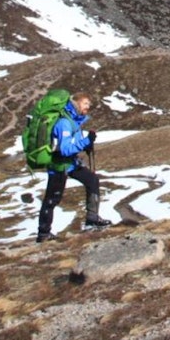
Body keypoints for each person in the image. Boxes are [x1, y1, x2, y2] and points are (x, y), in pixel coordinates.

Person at [36, 92, 112, 242]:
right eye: (85, 103)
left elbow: (71, 145)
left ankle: (92, 219)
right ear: (76, 104)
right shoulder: (64, 123)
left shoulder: (73, 120)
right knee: (52, 199)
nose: (88, 107)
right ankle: (43, 234)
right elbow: (65, 149)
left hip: (70, 164)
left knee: (92, 180)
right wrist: (86, 142)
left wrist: (86, 144)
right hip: (59, 165)